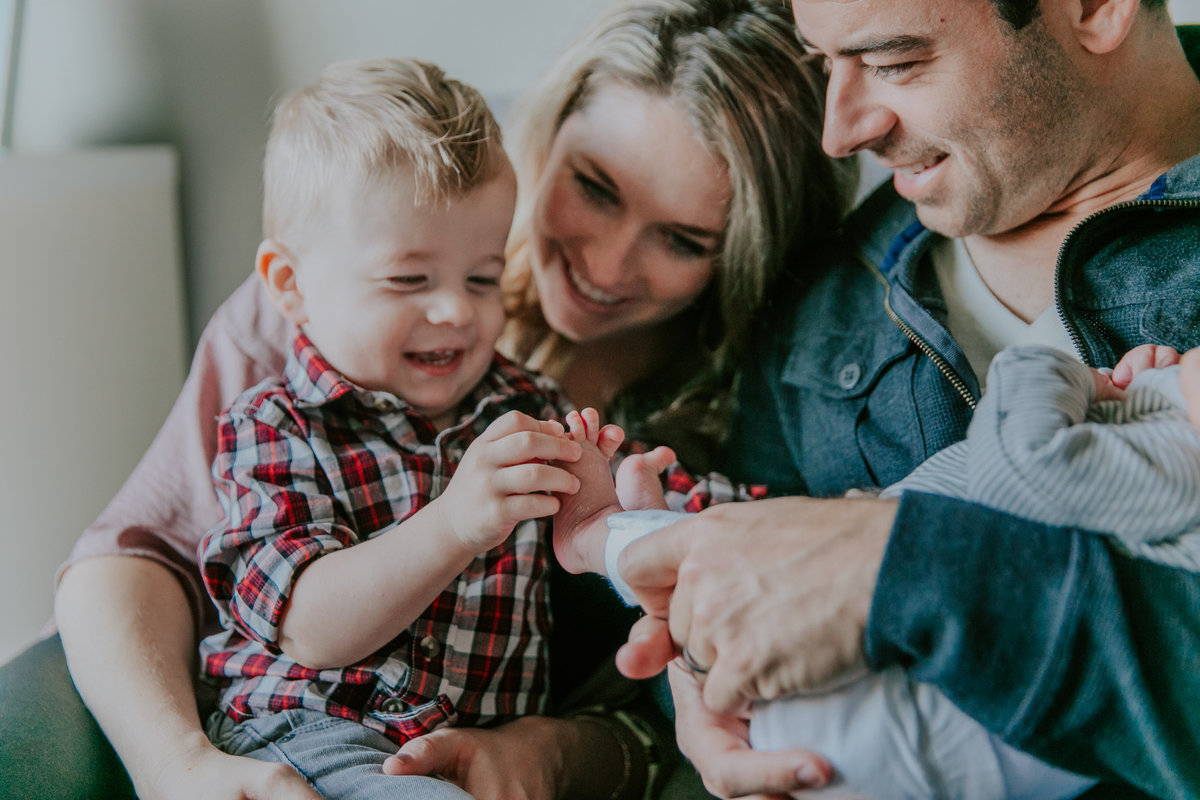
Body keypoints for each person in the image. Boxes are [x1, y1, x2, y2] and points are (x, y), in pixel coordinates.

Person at [0, 1, 853, 798]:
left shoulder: (575, 402)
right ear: (546, 138)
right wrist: (178, 765)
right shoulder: (327, 311)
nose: (608, 263)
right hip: (293, 721)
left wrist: (823, 532)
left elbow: (716, 576)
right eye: (595, 186)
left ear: (739, 253)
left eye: (681, 239)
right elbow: (136, 555)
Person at [612, 1, 1200, 798]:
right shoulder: (828, 284)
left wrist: (907, 571)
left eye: (893, 63)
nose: (839, 132)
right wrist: (692, 683)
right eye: (825, 63)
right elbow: (723, 582)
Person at [194, 55, 607, 798]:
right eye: (409, 279)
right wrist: (454, 524)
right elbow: (310, 627)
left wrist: (645, 492)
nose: (455, 310)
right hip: (308, 734)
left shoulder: (525, 404)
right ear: (291, 285)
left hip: (472, 750)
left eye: (482, 277)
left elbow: (672, 498)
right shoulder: (273, 425)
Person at [563, 341, 1200, 799]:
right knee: (710, 560)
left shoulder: (1181, 461)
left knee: (695, 552)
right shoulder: (852, 264)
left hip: (880, 681)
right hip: (879, 738)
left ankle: (603, 537)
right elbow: (764, 556)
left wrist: (1054, 372)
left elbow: (1029, 467)